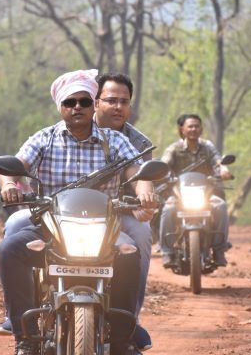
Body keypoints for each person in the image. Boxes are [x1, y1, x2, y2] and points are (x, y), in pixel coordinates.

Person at [0, 69, 157, 355]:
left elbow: (137, 171)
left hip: (104, 229)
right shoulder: (44, 139)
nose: (77, 107)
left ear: (93, 105)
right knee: (10, 248)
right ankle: (25, 336)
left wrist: (145, 190)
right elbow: (15, 166)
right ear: (60, 107)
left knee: (130, 253)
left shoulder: (114, 141)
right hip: (51, 226)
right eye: (70, 102)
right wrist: (9, 184)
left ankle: (122, 340)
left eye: (84, 101)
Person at [94, 72, 154, 352]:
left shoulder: (140, 144)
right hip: (72, 213)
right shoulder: (77, 131)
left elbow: (144, 181)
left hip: (120, 213)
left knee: (141, 234)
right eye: (111, 100)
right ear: (96, 102)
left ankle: (130, 319)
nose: (118, 107)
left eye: (124, 101)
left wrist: (145, 203)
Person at [159, 114, 232, 267]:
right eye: (190, 126)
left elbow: (218, 161)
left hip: (206, 194)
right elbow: (164, 164)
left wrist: (224, 170)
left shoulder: (207, 147)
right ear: (182, 129)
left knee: (220, 206)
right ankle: (167, 251)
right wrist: (162, 174)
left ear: (201, 129)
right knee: (168, 209)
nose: (193, 129)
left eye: (197, 126)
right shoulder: (174, 148)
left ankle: (219, 250)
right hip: (180, 196)